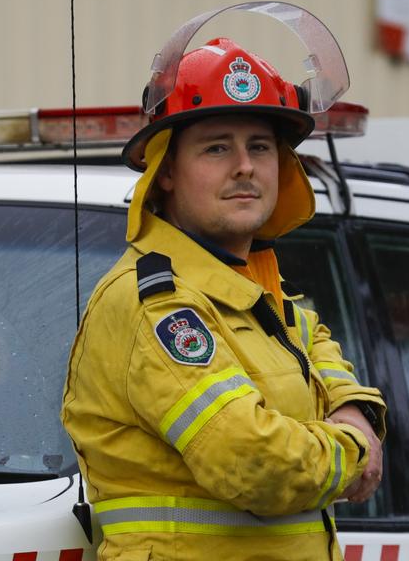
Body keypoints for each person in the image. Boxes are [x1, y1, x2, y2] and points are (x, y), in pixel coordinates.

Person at [61, 35, 386, 561]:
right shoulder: (158, 306)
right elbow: (252, 460)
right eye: (217, 147)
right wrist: (355, 451)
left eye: (259, 146)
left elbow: (318, 349)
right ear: (165, 171)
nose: (244, 166)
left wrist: (351, 409)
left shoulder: (257, 292)